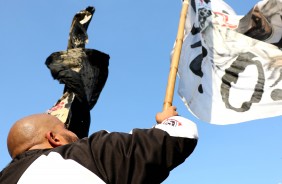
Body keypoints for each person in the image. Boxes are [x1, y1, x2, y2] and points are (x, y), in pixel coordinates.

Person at [0, 106, 198, 184]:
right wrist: (167, 121)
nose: (75, 134)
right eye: (66, 129)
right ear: (54, 138)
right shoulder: (88, 154)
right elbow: (180, 135)